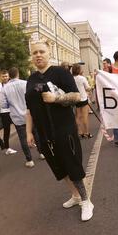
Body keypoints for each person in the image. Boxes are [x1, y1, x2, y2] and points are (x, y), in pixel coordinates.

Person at [25, 40, 94, 222]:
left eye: (41, 51)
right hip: (44, 134)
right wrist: (29, 132)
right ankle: (75, 196)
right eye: (34, 53)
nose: (38, 55)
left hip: (64, 129)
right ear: (31, 56)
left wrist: (56, 98)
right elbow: (29, 109)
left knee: (73, 165)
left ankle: (86, 201)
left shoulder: (61, 73)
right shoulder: (31, 80)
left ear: (49, 53)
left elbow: (77, 96)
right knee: (59, 167)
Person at [0, 67, 44, 168]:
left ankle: (29, 160)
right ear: (18, 74)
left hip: (17, 117)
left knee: (23, 138)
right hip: (30, 114)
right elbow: (35, 95)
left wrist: (13, 104)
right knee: (36, 133)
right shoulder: (26, 83)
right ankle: (42, 153)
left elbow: (4, 106)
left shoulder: (4, 89)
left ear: (9, 76)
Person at [0, 70, 17, 156]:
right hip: (4, 111)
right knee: (7, 129)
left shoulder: (12, 84)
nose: (5, 78)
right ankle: (7, 148)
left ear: (9, 76)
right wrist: (3, 102)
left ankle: (28, 143)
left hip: (14, 109)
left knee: (20, 126)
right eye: (3, 76)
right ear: (1, 77)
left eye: (6, 76)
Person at [72, 64, 92, 139]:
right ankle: (86, 133)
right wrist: (91, 87)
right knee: (85, 116)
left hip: (76, 99)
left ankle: (80, 132)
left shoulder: (71, 78)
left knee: (78, 116)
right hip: (83, 98)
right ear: (78, 70)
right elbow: (87, 88)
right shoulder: (82, 78)